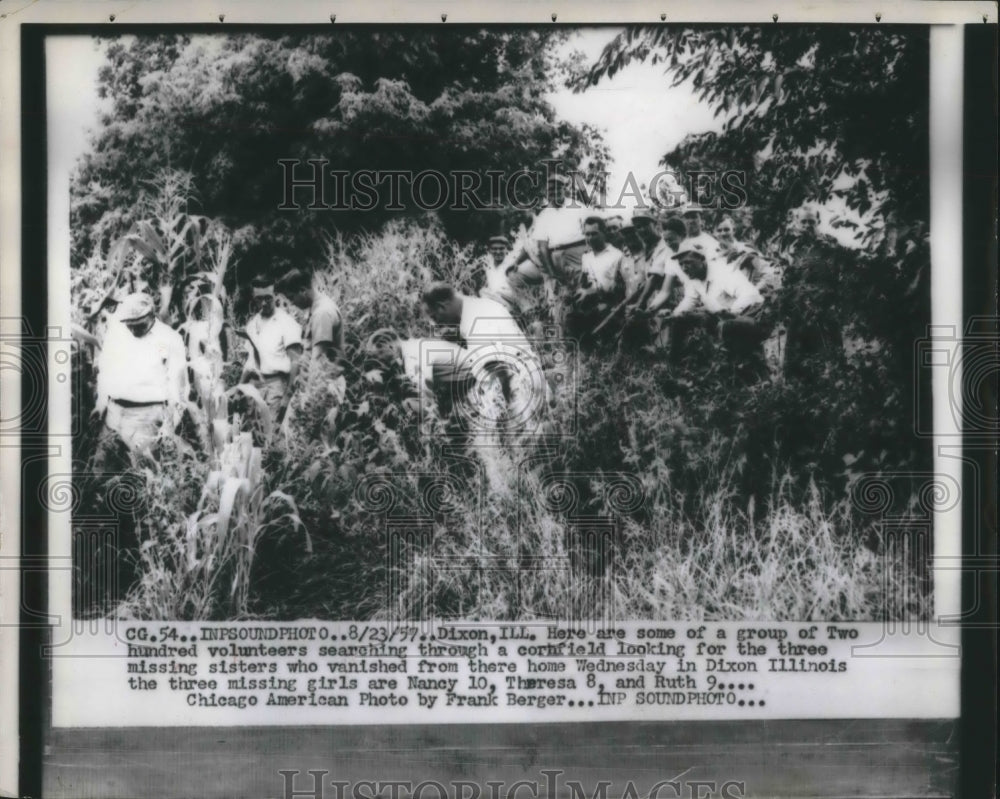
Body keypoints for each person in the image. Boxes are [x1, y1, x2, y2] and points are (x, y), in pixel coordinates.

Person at [422, 282, 545, 430]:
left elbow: (501, 371)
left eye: (435, 317)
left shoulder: (474, 321)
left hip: (521, 392)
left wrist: (507, 413)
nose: (437, 323)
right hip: (529, 377)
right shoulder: (480, 305)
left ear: (442, 306)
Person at [93, 292, 189, 452]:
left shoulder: (170, 338)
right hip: (112, 415)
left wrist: (170, 425)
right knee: (99, 473)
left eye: (139, 324)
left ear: (152, 315)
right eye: (129, 324)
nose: (132, 329)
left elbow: (179, 388)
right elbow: (105, 370)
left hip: (147, 418)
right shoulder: (116, 332)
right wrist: (100, 404)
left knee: (141, 473)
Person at [668, 242, 767, 375]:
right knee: (681, 320)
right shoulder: (694, 278)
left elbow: (750, 295)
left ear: (701, 259)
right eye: (681, 265)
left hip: (750, 314)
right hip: (723, 316)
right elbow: (689, 300)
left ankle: (731, 373)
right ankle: (674, 368)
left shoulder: (722, 272)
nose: (685, 268)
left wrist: (731, 312)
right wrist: (674, 315)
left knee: (725, 326)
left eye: (688, 263)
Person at [239, 275, 303, 425]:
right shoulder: (252, 324)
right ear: (253, 299)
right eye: (259, 299)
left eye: (268, 298)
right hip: (253, 387)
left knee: (270, 434)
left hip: (275, 388)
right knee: (251, 435)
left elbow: (296, 361)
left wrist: (287, 398)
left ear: (275, 295)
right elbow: (250, 362)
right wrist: (239, 388)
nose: (263, 303)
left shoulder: (286, 323)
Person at [567, 216, 626, 341]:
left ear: (604, 232)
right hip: (590, 302)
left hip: (610, 303)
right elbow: (585, 282)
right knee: (571, 317)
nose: (590, 238)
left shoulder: (617, 256)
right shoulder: (586, 257)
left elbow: (618, 289)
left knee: (597, 313)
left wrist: (592, 292)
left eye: (594, 234)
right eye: (587, 234)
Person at [277, 269, 345, 365]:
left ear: (302, 290)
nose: (292, 303)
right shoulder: (318, 307)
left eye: (291, 297)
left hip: (327, 378)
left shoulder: (322, 313)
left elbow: (318, 361)